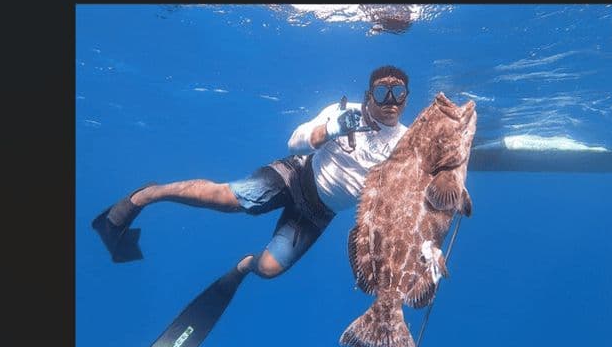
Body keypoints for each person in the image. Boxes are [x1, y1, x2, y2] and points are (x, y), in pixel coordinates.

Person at [92, 65, 411, 289]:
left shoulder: (408, 142)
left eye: (398, 93)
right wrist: (330, 129)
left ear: (407, 97)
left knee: (269, 270)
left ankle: (245, 265)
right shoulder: (344, 111)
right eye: (383, 92)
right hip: (294, 176)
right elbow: (294, 141)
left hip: (319, 213)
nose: (391, 102)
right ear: (369, 95)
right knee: (223, 199)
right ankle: (147, 195)